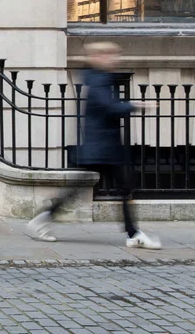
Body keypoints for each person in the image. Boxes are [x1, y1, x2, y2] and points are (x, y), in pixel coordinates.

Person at [26, 42, 161, 250]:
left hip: (104, 145)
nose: (114, 59)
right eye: (109, 55)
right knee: (117, 188)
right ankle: (133, 234)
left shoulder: (99, 79)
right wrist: (137, 105)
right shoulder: (98, 80)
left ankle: (44, 219)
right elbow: (109, 107)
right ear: (97, 57)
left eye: (115, 54)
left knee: (102, 188)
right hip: (103, 146)